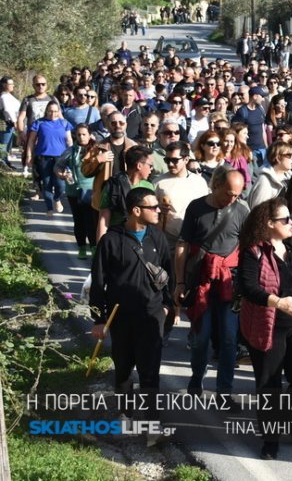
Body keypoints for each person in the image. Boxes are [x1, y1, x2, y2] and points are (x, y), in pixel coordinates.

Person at [237, 197, 292, 460]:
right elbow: (248, 288)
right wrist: (278, 302)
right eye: (286, 219)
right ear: (269, 224)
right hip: (269, 325)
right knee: (269, 383)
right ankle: (270, 439)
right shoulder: (253, 251)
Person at [90, 188, 174, 446]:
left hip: (151, 316)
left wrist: (168, 307)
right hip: (121, 317)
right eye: (153, 207)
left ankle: (151, 426)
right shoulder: (110, 241)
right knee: (124, 370)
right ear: (136, 210)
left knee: (150, 373)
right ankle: (126, 414)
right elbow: (98, 282)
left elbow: (168, 273)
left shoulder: (158, 238)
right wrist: (99, 319)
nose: (159, 211)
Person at [174, 168, 249, 402]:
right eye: (229, 193)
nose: (232, 199)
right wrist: (180, 282)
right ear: (215, 185)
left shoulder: (241, 210)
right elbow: (183, 245)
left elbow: (248, 248)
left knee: (229, 339)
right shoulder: (196, 208)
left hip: (230, 284)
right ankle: (197, 379)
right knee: (200, 338)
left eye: (237, 194)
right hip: (201, 282)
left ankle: (224, 391)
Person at [56, 123, 97, 259]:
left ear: (90, 135)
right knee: (78, 220)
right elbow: (58, 167)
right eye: (78, 134)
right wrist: (62, 175)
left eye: (84, 134)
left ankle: (94, 246)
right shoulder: (70, 151)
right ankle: (81, 247)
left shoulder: (96, 149)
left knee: (91, 220)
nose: (81, 137)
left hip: (92, 190)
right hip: (73, 191)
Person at [26, 101, 72, 215]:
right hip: (43, 158)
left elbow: (69, 141)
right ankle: (49, 208)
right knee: (47, 183)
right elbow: (31, 141)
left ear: (59, 112)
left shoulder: (64, 123)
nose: (53, 113)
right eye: (50, 111)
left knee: (60, 184)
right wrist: (29, 156)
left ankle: (56, 199)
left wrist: (72, 157)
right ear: (46, 110)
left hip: (61, 159)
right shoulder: (39, 123)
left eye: (56, 111)